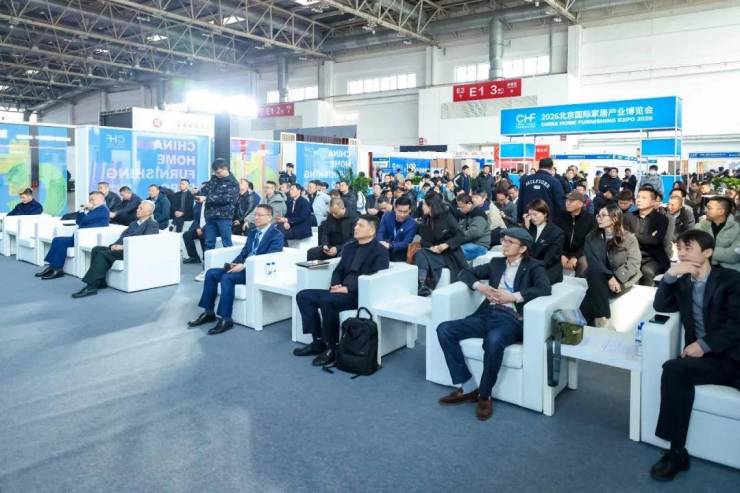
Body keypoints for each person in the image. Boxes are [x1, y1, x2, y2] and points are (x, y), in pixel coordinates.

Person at [649, 229, 740, 482]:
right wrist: (669, 276)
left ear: (708, 252)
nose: (682, 253)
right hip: (708, 362)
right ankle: (676, 452)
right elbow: (660, 306)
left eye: (688, 248)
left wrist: (704, 344)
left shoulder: (731, 280)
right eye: (679, 248)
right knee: (673, 369)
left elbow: (737, 323)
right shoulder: (682, 282)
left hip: (734, 356)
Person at [436, 227, 551, 421]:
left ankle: (485, 394)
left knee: (493, 340)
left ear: (523, 248)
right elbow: (465, 272)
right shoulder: (497, 263)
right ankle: (468, 387)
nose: (504, 244)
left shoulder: (534, 266)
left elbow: (544, 288)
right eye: (504, 240)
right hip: (487, 313)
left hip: (511, 318)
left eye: (510, 242)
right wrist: (481, 287)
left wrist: (512, 297)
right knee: (444, 329)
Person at [293, 215, 389, 366]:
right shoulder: (349, 247)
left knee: (327, 301)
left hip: (358, 294)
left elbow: (377, 278)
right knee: (303, 296)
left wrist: (348, 288)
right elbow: (338, 270)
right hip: (339, 291)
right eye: (356, 225)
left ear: (371, 231)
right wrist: (336, 284)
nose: (355, 228)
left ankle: (332, 347)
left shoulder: (380, 251)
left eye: (360, 225)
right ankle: (318, 341)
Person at [188, 205, 284, 335]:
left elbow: (270, 257)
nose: (255, 218)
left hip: (256, 272)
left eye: (259, 215)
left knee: (227, 278)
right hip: (243, 267)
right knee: (211, 273)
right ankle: (208, 312)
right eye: (255, 214)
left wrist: (244, 265)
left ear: (269, 217)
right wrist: (235, 263)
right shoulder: (253, 232)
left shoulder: (276, 235)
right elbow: (245, 252)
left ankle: (226, 318)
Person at [71, 200, 159, 298]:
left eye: (141, 208)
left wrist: (123, 247)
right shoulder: (134, 223)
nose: (137, 210)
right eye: (138, 207)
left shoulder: (152, 224)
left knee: (103, 254)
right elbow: (123, 236)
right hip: (122, 249)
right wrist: (115, 245)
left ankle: (91, 286)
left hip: (133, 251)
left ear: (148, 212)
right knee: (97, 249)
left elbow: (145, 242)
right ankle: (101, 282)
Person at [579, 204, 641, 327]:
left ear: (615, 218)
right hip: (600, 276)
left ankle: (581, 321)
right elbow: (593, 262)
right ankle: (602, 319)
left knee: (594, 287)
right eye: (598, 215)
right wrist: (609, 277)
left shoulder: (629, 238)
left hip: (622, 279)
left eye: (603, 215)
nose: (599, 218)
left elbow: (634, 263)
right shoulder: (591, 237)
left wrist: (616, 278)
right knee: (594, 275)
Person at [35, 191, 110, 280]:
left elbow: (85, 220)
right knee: (57, 239)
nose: (90, 202)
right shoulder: (94, 209)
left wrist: (85, 209)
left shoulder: (102, 210)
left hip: (88, 238)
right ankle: (53, 266)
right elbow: (78, 221)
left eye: (92, 200)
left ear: (100, 199)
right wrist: (82, 209)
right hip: (80, 236)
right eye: (90, 199)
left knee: (61, 242)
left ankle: (57, 269)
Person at [414, 192, 466, 296]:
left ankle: (425, 284)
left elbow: (461, 235)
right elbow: (424, 240)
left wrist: (445, 245)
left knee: (422, 254)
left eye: (424, 204)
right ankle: (422, 284)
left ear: (430, 206)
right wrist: (432, 247)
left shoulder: (446, 217)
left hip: (450, 253)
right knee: (420, 253)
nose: (422, 207)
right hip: (435, 252)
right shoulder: (426, 220)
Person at [625, 187, 670, 285]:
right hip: (633, 256)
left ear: (653, 202)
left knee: (647, 271)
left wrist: (633, 235)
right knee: (630, 272)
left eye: (644, 198)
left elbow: (655, 241)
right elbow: (626, 239)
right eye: (638, 197)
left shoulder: (661, 219)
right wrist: (648, 238)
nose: (639, 200)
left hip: (653, 258)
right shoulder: (628, 217)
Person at [196, 158, 239, 250]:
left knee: (226, 242)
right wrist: (198, 192)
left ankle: (228, 259)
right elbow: (206, 190)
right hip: (210, 216)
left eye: (218, 172)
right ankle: (207, 259)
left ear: (225, 168)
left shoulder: (233, 183)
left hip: (224, 217)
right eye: (215, 172)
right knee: (208, 242)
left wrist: (207, 198)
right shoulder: (214, 178)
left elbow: (225, 199)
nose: (216, 174)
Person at [523, 199, 565, 285]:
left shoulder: (556, 233)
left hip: (547, 269)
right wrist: (526, 230)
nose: (532, 217)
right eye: (530, 215)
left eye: (535, 214)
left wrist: (531, 269)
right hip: (530, 266)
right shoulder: (529, 228)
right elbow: (523, 249)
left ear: (545, 213)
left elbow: (550, 258)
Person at [694, 196, 739, 271]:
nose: (705, 210)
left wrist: (705, 252)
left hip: (729, 271)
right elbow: (694, 248)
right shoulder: (701, 226)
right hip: (702, 269)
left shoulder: (737, 229)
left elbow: (733, 256)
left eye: (709, 208)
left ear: (721, 212)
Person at [556, 191, 594, 277]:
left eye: (571, 201)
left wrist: (575, 256)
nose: (567, 203)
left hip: (580, 253)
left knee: (584, 263)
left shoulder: (590, 219)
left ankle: (580, 283)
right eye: (567, 200)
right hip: (561, 251)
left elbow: (588, 242)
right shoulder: (560, 216)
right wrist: (562, 254)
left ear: (580, 204)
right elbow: (556, 238)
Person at [517, 158, 565, 222]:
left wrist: (519, 219)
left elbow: (520, 200)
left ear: (539, 167)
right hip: (546, 220)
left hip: (528, 218)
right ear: (551, 168)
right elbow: (560, 203)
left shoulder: (525, 180)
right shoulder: (554, 181)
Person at [377, 196, 416, 262]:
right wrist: (380, 243)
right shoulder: (387, 216)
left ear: (409, 210)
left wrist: (391, 246)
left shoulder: (412, 224)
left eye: (405, 212)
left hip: (399, 253)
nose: (402, 214)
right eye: (399, 211)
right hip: (383, 248)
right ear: (395, 208)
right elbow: (380, 233)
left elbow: (406, 243)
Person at [456, 193, 491, 261]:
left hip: (479, 245)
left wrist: (458, 238)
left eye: (462, 207)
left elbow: (475, 232)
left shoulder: (478, 214)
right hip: (470, 244)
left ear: (469, 204)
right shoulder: (467, 214)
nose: (460, 209)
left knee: (455, 253)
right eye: (459, 207)